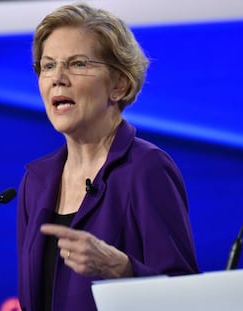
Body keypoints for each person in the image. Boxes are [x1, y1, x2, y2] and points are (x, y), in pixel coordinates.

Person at [17, 3, 199, 311]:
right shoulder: (35, 182)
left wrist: (124, 269)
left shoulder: (146, 168)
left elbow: (186, 295)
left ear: (119, 85)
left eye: (77, 64)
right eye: (48, 66)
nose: (57, 78)